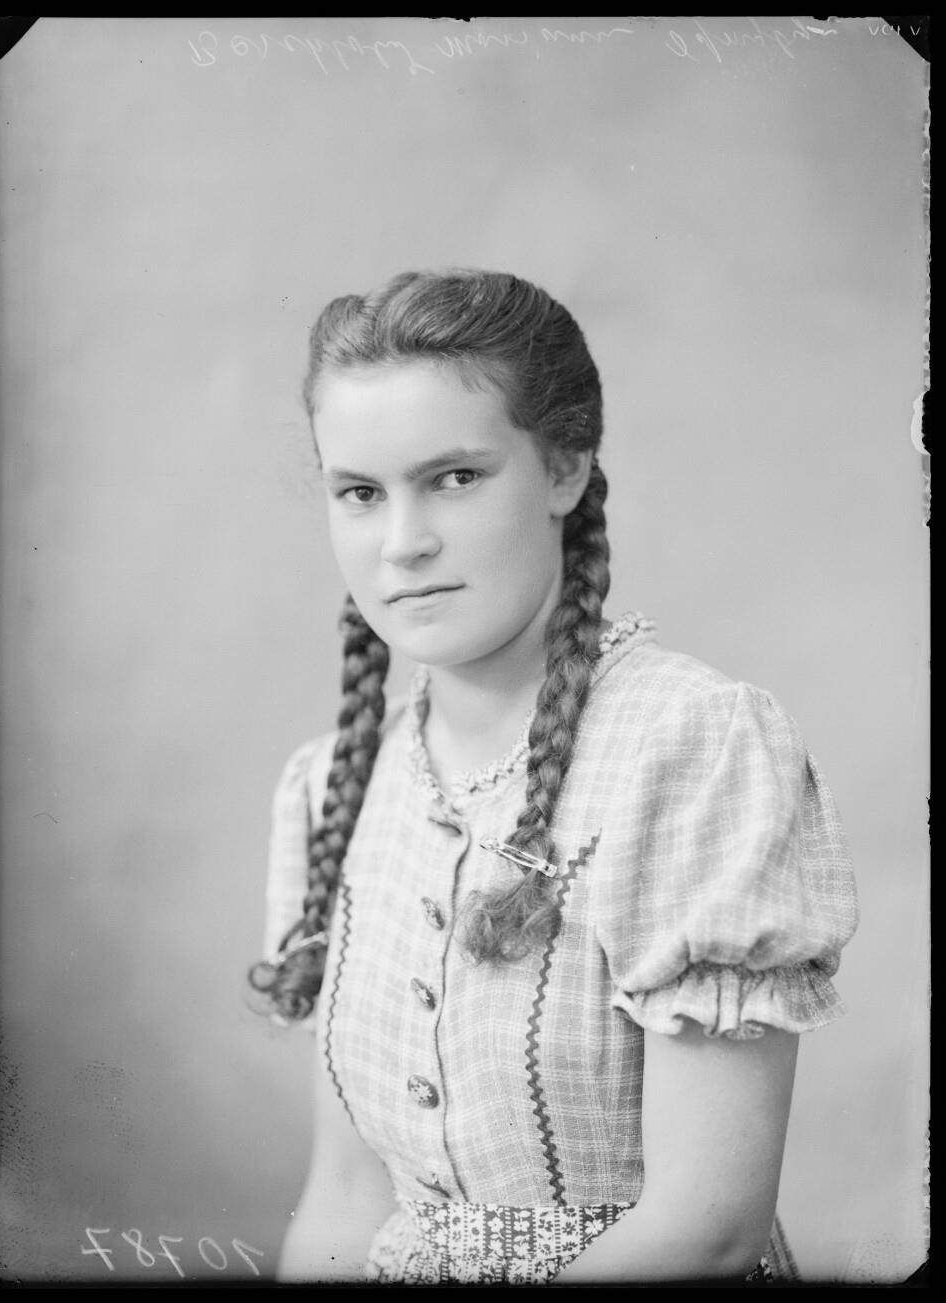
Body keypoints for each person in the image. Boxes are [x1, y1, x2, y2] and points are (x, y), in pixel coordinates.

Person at [249, 269, 859, 1285]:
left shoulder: (691, 745)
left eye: (455, 477)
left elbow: (707, 1227)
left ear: (565, 469)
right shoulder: (331, 789)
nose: (402, 543)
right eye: (360, 492)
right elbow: (346, 1199)